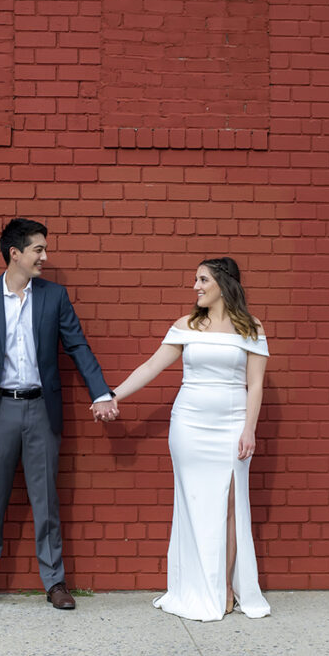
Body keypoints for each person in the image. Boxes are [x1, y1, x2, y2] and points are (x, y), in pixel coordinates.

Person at [0, 218, 119, 611]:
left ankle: (55, 581)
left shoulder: (55, 297)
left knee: (46, 498)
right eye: (38, 250)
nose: (45, 257)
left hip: (42, 410)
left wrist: (101, 393)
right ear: (16, 253)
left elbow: (78, 346)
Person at [110, 257, 271, 621]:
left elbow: (256, 383)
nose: (195, 286)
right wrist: (113, 395)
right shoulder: (187, 326)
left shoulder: (251, 328)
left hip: (231, 424)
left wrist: (249, 429)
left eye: (202, 279)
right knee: (194, 503)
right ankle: (196, 586)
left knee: (230, 505)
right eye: (196, 280)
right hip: (189, 426)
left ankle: (225, 587)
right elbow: (151, 366)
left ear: (224, 284)